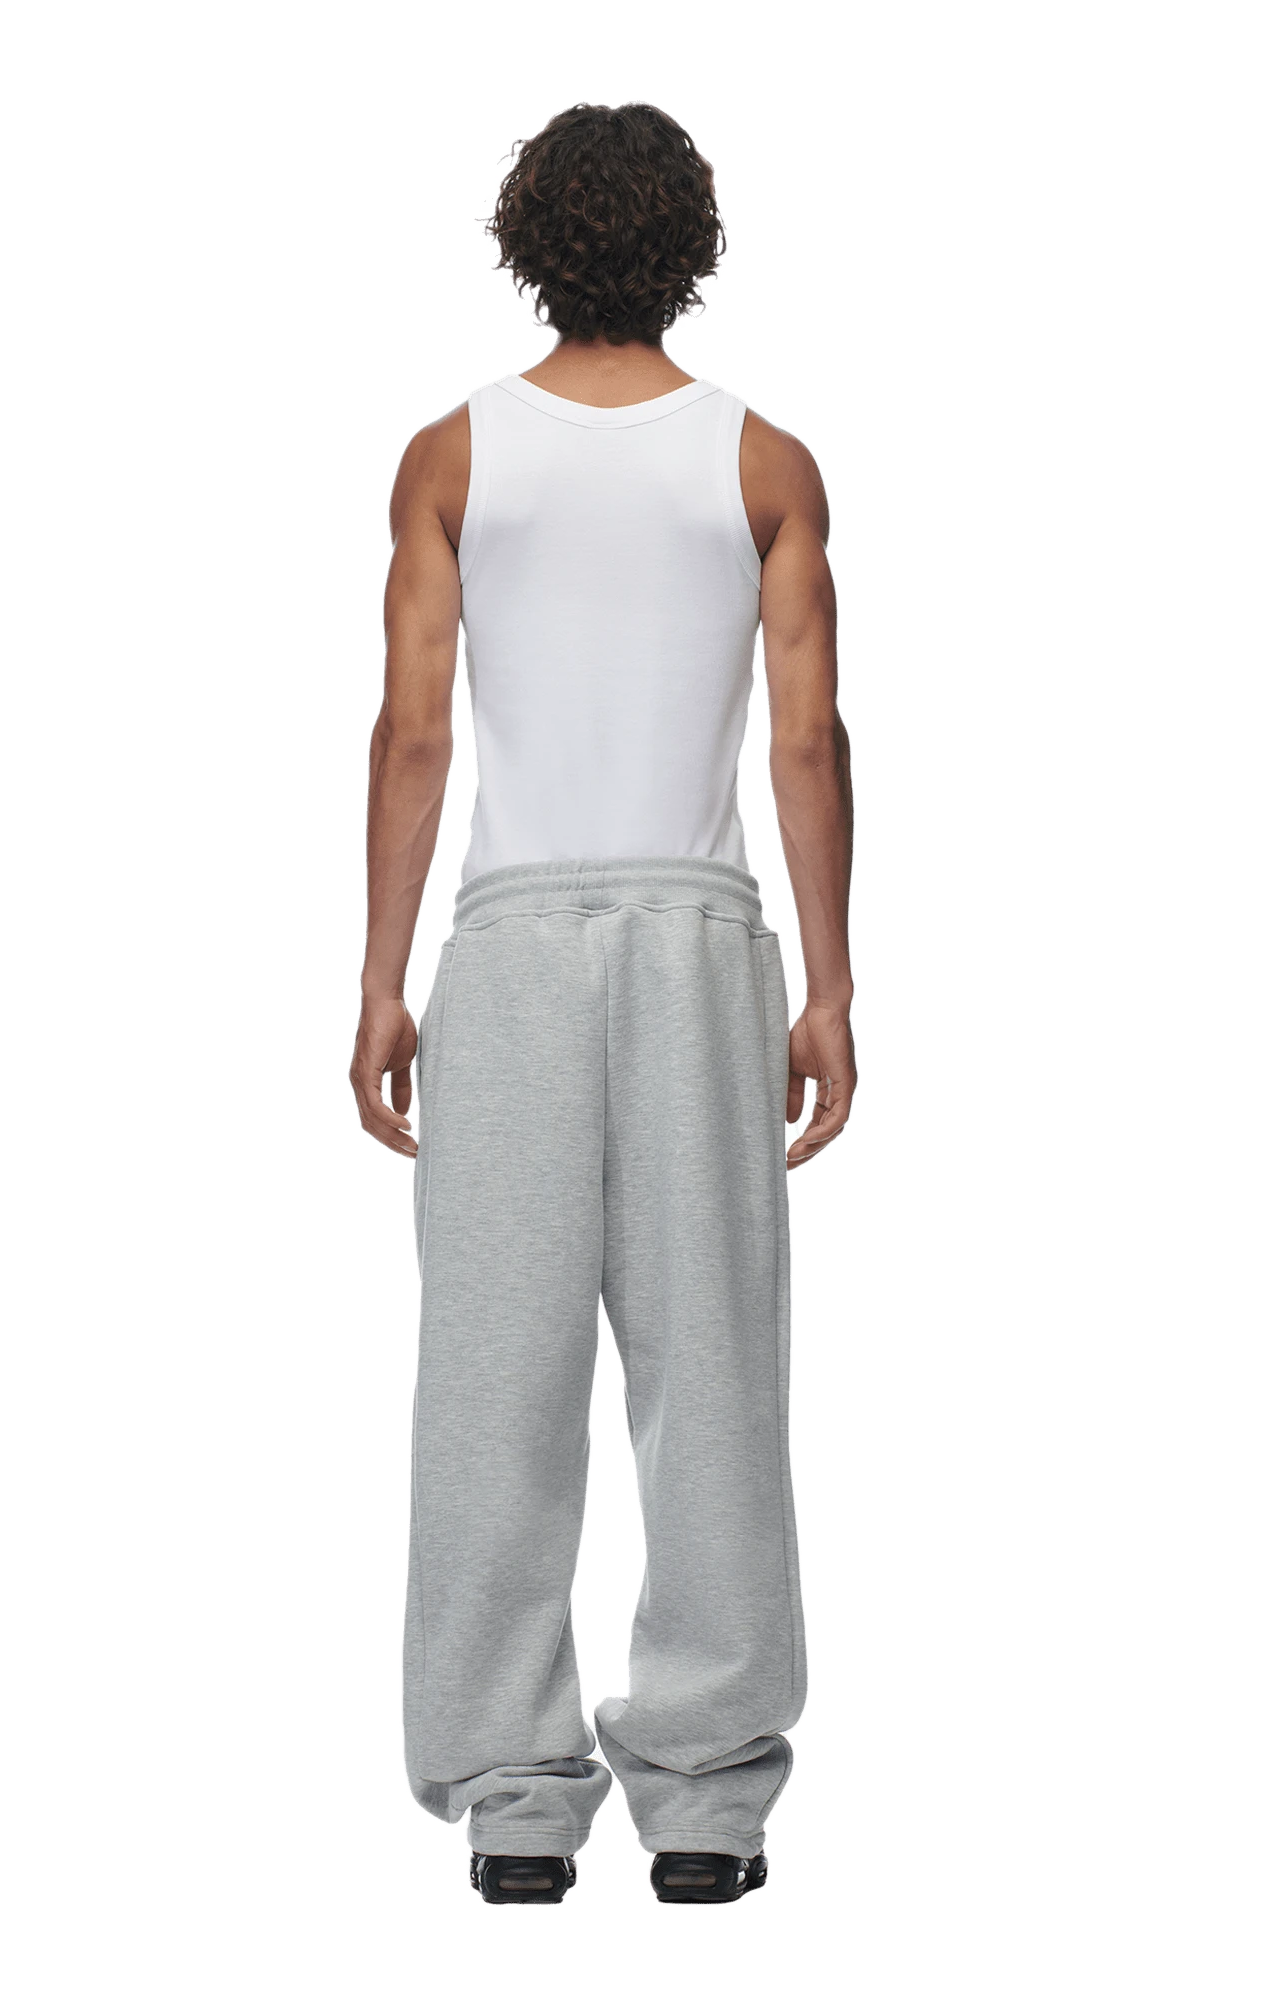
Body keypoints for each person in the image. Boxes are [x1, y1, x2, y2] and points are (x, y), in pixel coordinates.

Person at [350, 100, 856, 1906]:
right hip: (703, 930)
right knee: (713, 1358)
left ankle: (509, 1794)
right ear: (694, 244)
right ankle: (710, 1799)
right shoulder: (765, 462)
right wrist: (830, 984)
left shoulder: (454, 454)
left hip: (509, 933)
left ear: (528, 243)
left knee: (495, 1364)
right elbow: (808, 738)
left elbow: (416, 733)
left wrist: (381, 981)